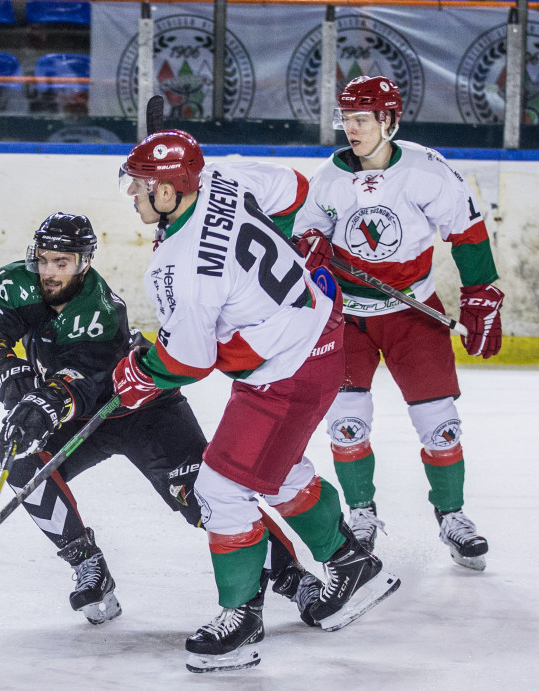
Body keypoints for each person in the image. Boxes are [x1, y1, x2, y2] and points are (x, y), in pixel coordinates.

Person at [114, 129, 400, 672]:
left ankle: (241, 619)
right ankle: (351, 564)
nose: (132, 193)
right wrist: (298, 239)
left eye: (141, 185)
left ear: (170, 191)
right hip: (313, 334)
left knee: (220, 488)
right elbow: (295, 191)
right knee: (279, 467)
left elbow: (189, 361)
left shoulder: (178, 269)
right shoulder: (222, 176)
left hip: (287, 371)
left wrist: (141, 373)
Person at [0, 211, 318, 627]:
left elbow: (84, 380)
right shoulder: (15, 283)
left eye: (62, 262)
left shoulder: (100, 310)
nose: (50, 272)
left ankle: (295, 578)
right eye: (43, 259)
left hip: (142, 411)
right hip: (80, 415)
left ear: (84, 262)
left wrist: (46, 400)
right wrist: (6, 367)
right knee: (20, 453)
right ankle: (88, 565)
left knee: (202, 497)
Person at [291, 76, 503, 572]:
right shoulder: (328, 178)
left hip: (413, 311)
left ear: (389, 120)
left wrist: (480, 292)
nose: (352, 129)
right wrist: (310, 248)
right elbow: (305, 235)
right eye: (346, 119)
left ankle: (451, 515)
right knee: (347, 424)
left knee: (440, 425)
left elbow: (467, 230)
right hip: (348, 317)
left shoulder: (426, 170)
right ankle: (361, 514)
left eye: (362, 119)